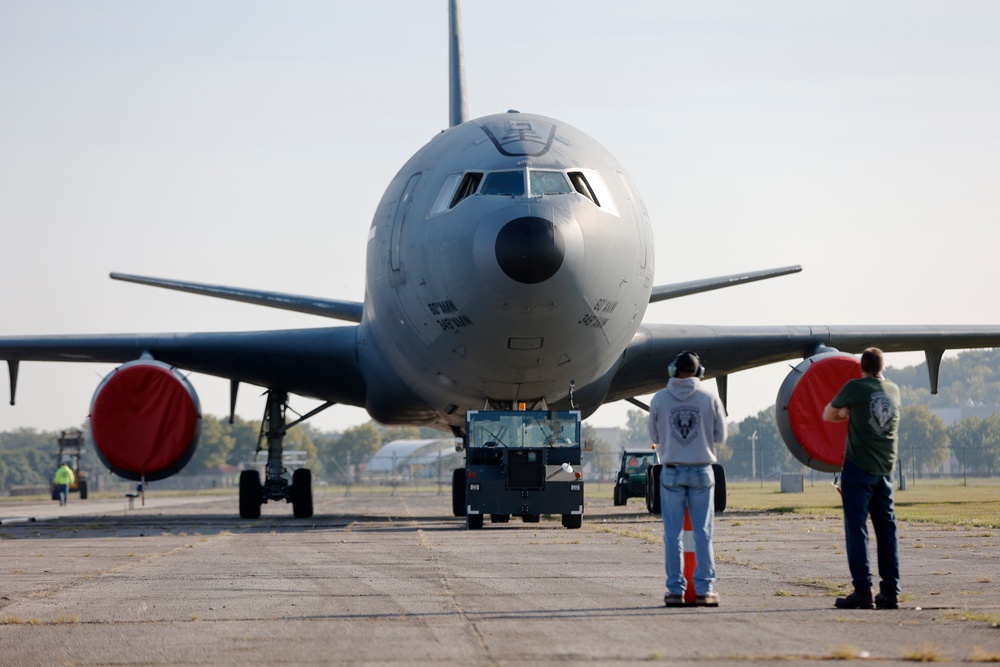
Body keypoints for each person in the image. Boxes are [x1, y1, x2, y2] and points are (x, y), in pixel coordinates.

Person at [822, 347, 901, 610]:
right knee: (887, 530)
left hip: (858, 468)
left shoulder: (855, 388)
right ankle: (890, 592)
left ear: (861, 367)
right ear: (882, 366)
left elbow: (828, 414)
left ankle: (863, 590)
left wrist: (847, 414)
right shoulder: (893, 390)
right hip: (885, 469)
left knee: (857, 529)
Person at [648, 351, 727, 607]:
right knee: (703, 533)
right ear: (699, 372)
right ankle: (704, 590)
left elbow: (655, 436)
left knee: (672, 535)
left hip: (671, 470)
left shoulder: (660, 398)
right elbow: (720, 436)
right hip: (702, 469)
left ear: (673, 371)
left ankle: (674, 590)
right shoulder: (709, 397)